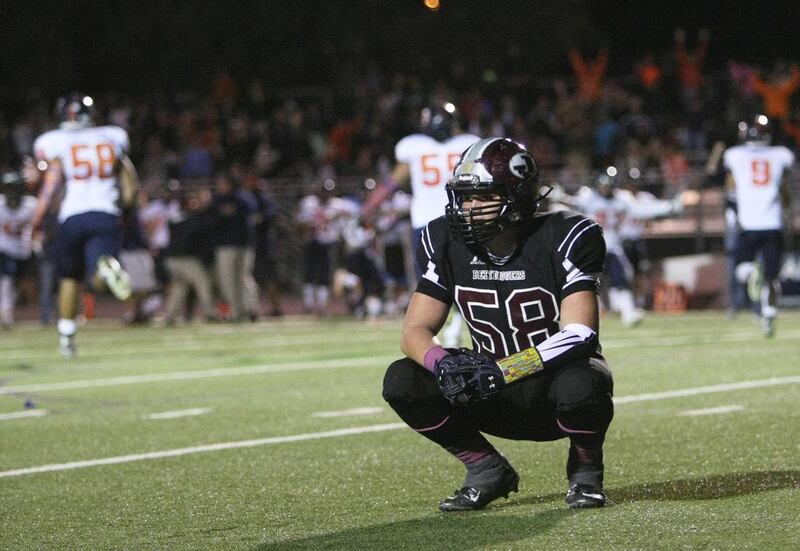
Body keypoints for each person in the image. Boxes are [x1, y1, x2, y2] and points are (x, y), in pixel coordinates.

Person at [382, 138, 614, 511]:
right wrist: (443, 364)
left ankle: (585, 471)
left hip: (549, 389)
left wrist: (506, 370)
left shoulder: (565, 235)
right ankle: (486, 468)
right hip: (489, 391)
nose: (468, 208)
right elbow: (414, 331)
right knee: (402, 380)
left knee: (583, 383)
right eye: (463, 197)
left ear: (517, 196)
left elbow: (580, 334)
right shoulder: (444, 239)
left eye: (482, 197)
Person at [30, 94, 138, 357]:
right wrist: (125, 211)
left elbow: (51, 185)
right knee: (98, 274)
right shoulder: (112, 137)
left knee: (69, 277)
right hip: (105, 213)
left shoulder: (52, 141)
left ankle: (66, 338)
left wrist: (37, 221)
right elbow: (130, 186)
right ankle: (106, 270)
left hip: (72, 217)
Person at [366, 102, 480, 345]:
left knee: (430, 280)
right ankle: (457, 323)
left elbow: (391, 183)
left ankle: (432, 331)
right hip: (461, 219)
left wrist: (367, 208)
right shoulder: (468, 144)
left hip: (426, 223)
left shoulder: (413, 146)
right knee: (466, 274)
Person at [723, 115, 795, 336]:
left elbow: (730, 188)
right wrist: (787, 211)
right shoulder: (781, 155)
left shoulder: (735, 155)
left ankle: (754, 281)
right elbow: (784, 187)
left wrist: (731, 211)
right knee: (772, 277)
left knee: (742, 271)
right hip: (773, 223)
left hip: (748, 224)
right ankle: (769, 313)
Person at [0, 171, 37, 328]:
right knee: (6, 279)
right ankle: (6, 314)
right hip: (4, 249)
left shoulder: (31, 205)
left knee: (24, 284)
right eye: (9, 188)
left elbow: (41, 226)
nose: (12, 192)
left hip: (25, 250)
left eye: (15, 188)